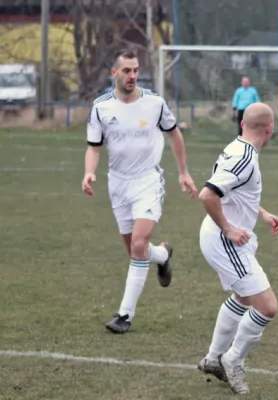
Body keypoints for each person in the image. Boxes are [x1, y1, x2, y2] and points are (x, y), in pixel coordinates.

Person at [82, 49, 198, 334]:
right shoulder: (101, 107)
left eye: (135, 70)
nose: (132, 75)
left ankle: (124, 315)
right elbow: (93, 147)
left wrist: (183, 172)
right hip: (117, 184)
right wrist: (89, 171)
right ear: (114, 73)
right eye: (126, 71)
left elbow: (174, 134)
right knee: (138, 251)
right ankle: (163, 256)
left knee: (137, 245)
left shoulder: (155, 103)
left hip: (148, 180)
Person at [197, 102, 278, 394]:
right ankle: (232, 360)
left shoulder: (237, 148)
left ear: (243, 124)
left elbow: (234, 190)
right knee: (267, 306)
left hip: (222, 236)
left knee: (244, 299)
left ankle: (213, 358)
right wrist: (229, 228)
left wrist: (263, 213)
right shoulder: (245, 157)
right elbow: (207, 195)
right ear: (269, 130)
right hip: (224, 239)